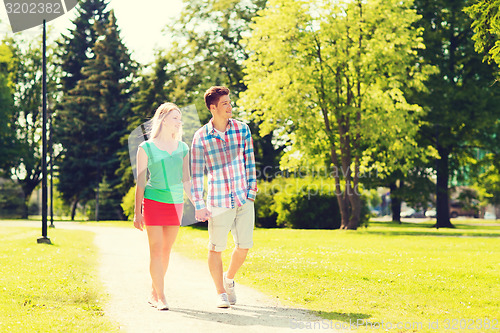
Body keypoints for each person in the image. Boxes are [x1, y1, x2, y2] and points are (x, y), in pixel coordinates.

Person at [191, 86, 257, 308]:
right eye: (225, 103)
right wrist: (199, 204)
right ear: (213, 108)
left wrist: (251, 193)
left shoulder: (242, 130)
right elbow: (196, 174)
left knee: (244, 246)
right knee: (216, 248)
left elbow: (250, 162)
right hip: (218, 201)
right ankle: (220, 292)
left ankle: (228, 279)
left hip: (243, 198)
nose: (230, 107)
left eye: (230, 102)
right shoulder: (201, 137)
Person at [134, 102, 192, 310]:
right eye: (175, 118)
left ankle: (153, 291)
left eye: (180, 118)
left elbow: (187, 181)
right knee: (156, 250)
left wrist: (199, 204)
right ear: (164, 119)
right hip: (153, 202)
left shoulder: (183, 148)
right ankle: (161, 296)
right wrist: (137, 212)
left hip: (175, 204)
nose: (179, 122)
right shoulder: (146, 147)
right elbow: (140, 182)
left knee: (166, 251)